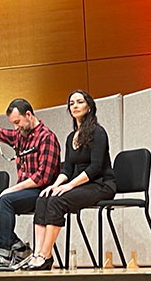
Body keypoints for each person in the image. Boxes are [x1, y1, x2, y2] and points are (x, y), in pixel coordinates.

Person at [24, 90, 116, 270]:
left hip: (100, 183)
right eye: (71, 103)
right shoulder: (70, 137)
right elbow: (67, 168)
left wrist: (69, 185)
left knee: (58, 200)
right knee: (43, 198)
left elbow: (95, 167)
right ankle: (37, 254)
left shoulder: (98, 132)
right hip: (81, 184)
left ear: (89, 106)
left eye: (79, 102)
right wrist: (55, 185)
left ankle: (46, 254)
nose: (75, 106)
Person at [0, 81, 61, 267]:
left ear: (28, 115)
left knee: (6, 200)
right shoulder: (20, 135)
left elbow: (42, 178)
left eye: (17, 122)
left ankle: (4, 252)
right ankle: (19, 248)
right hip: (24, 191)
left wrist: (13, 189)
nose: (15, 127)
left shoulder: (47, 137)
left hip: (42, 193)